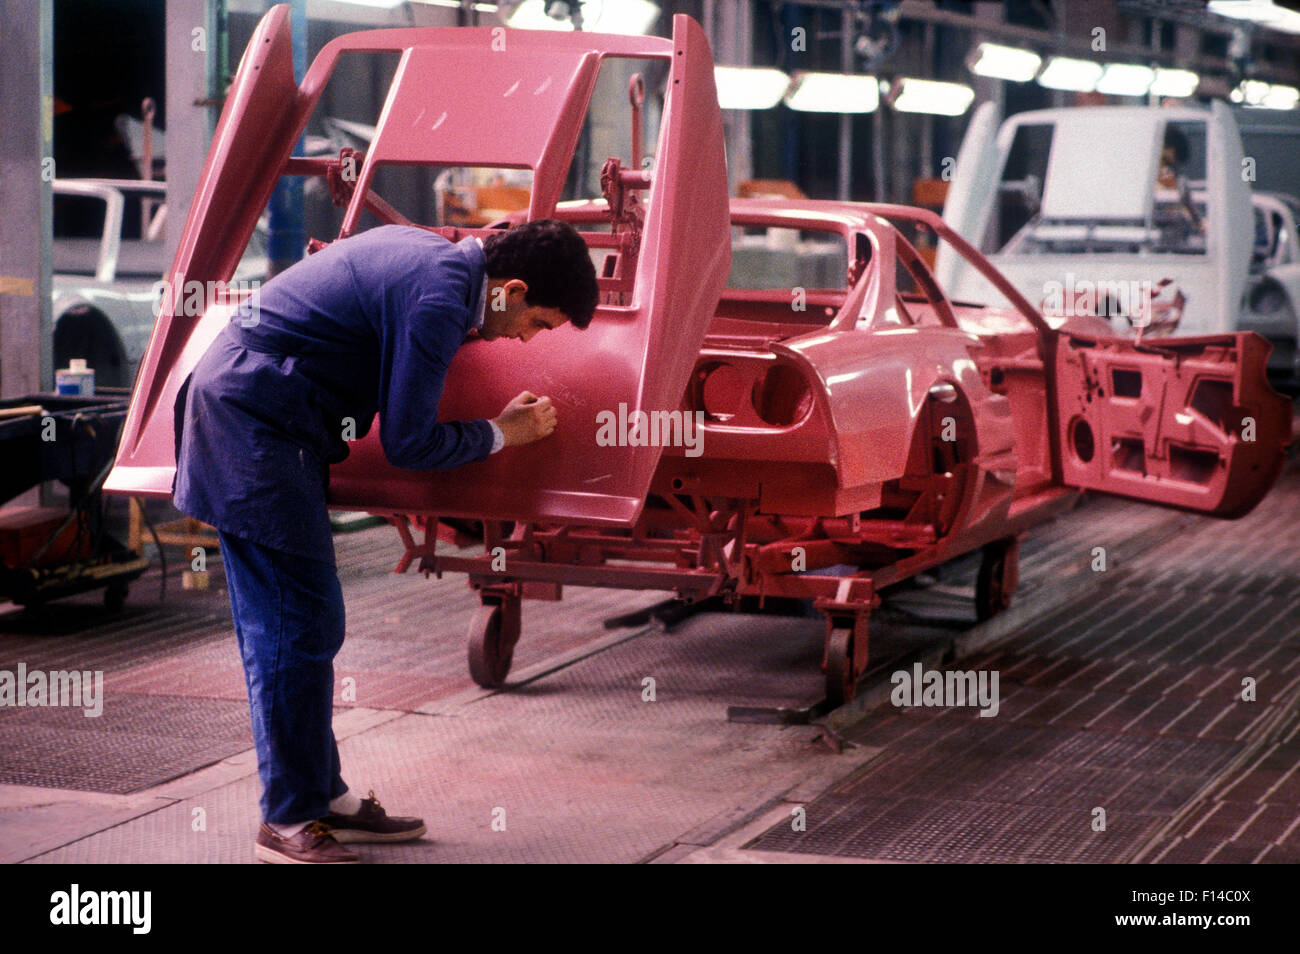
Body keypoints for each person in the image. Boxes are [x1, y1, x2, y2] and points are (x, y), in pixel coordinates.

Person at [173, 219, 599, 863]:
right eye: (536, 323)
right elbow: (409, 442)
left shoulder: (439, 263)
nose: (523, 339)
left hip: (264, 417)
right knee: (291, 628)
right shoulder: (437, 298)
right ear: (511, 290)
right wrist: (501, 432)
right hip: (250, 426)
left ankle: (324, 800)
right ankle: (288, 820)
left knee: (309, 623)